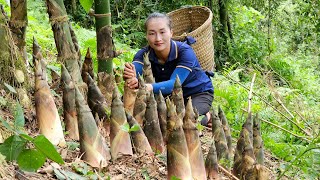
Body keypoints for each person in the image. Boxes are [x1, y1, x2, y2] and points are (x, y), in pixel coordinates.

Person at [123, 12, 214, 126]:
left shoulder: (185, 52)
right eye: (152, 33)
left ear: (171, 33)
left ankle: (207, 116)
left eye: (162, 32)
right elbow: (136, 71)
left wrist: (148, 87)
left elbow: (173, 85)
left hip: (197, 93)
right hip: (169, 96)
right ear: (146, 36)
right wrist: (130, 74)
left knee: (188, 121)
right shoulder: (143, 54)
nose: (158, 38)